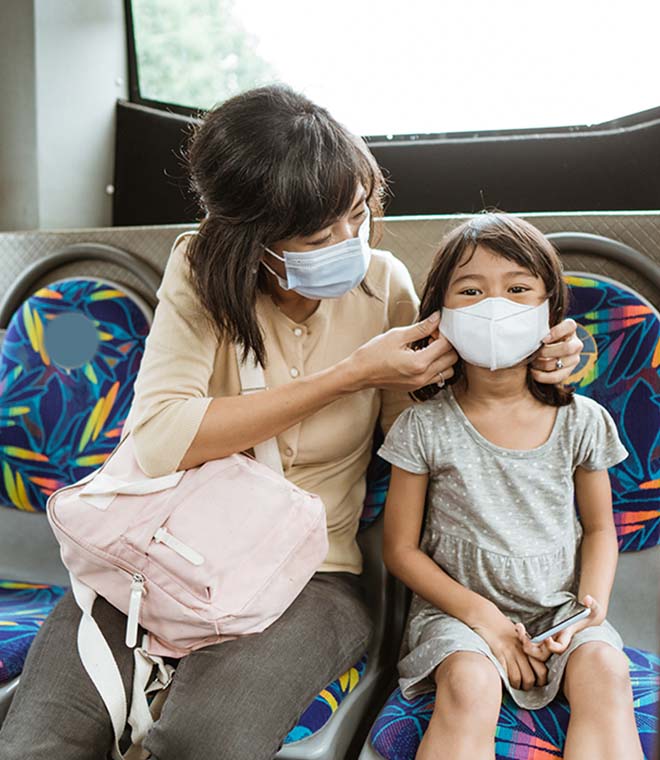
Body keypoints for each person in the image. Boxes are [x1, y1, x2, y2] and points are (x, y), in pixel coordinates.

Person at [0, 88, 582, 760]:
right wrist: (350, 375)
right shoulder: (202, 272)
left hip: (316, 573)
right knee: (39, 741)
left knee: (203, 742)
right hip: (158, 554)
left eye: (357, 215)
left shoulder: (385, 285)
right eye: (317, 235)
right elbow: (161, 439)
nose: (349, 243)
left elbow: (435, 436)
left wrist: (532, 365)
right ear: (254, 240)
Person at [379, 213, 643, 760]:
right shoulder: (422, 427)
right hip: (458, 616)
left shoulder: (582, 421)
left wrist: (588, 611)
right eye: (470, 291)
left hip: (560, 608)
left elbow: (599, 529)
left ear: (550, 312)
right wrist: (486, 620)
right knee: (469, 684)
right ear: (441, 314)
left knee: (606, 668)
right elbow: (400, 549)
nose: (494, 306)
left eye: (518, 289)